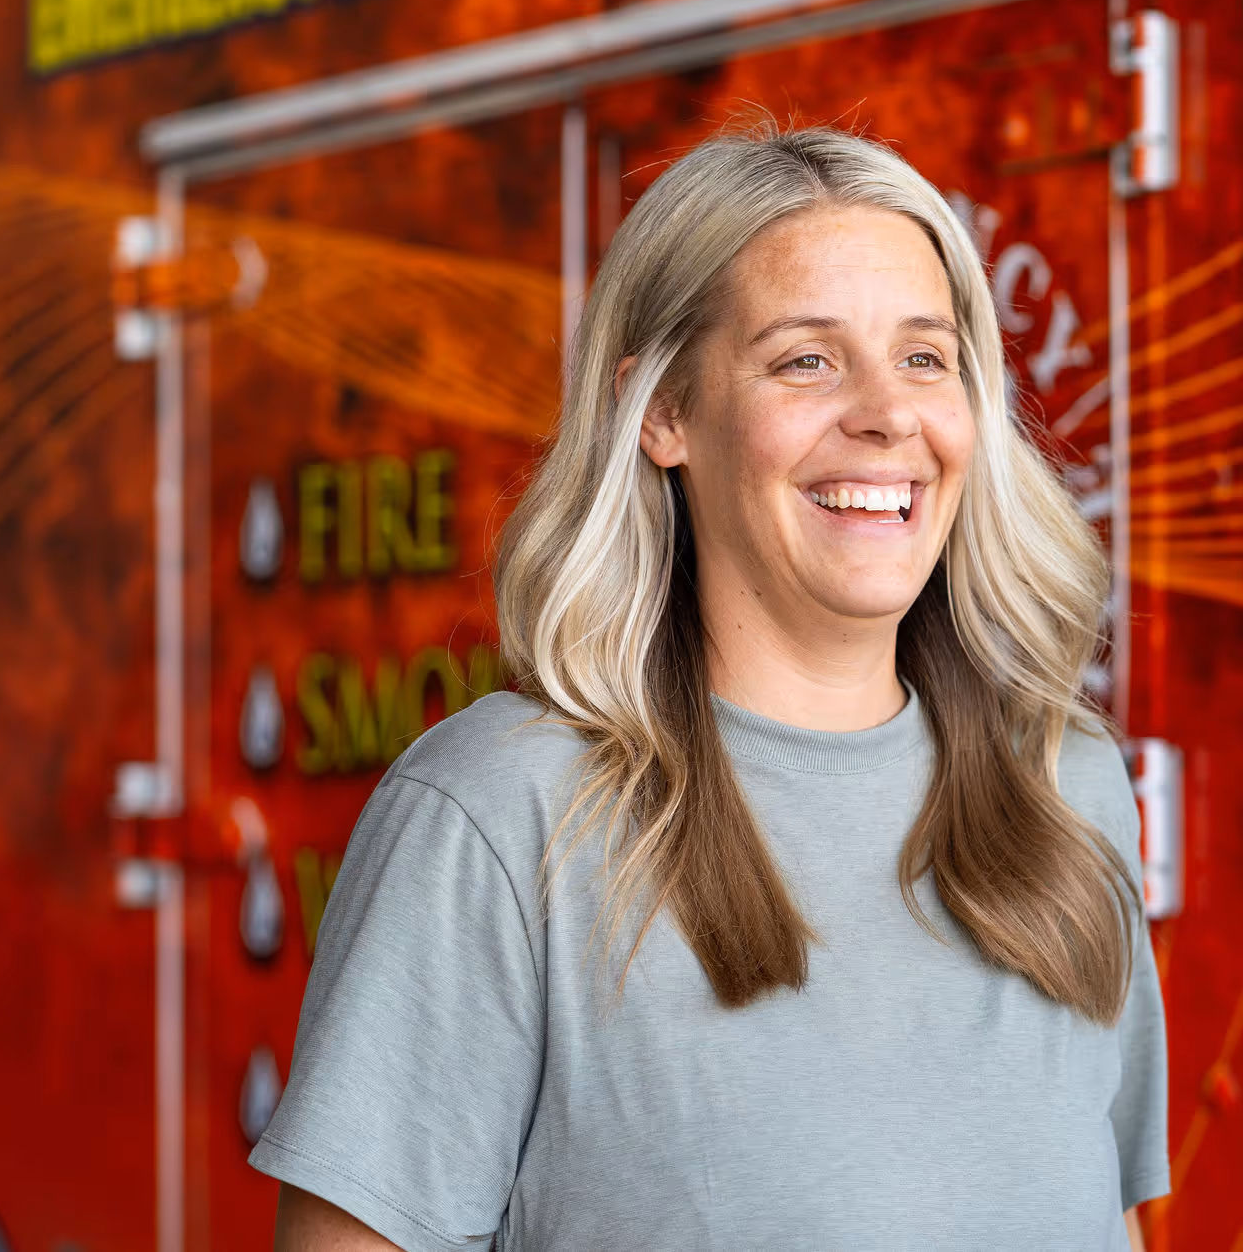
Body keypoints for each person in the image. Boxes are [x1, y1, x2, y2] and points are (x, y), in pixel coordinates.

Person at [257, 124, 1168, 1251]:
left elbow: (1114, 1225)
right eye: (806, 359)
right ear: (662, 412)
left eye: (925, 357)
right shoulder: (501, 811)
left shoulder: (1064, 793)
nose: (887, 414)